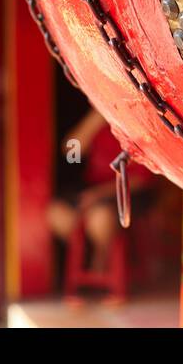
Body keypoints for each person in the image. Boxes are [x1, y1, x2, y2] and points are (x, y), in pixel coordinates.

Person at [47, 108, 149, 277]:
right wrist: (97, 114)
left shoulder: (135, 126)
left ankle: (101, 261)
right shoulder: (100, 125)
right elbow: (71, 153)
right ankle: (83, 253)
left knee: (100, 219)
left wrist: (97, 195)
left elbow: (142, 179)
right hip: (92, 189)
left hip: (124, 193)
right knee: (56, 213)